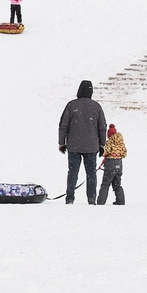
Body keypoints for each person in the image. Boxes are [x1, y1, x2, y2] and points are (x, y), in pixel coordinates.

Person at [57, 77, 106, 205]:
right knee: (91, 173)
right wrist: (102, 145)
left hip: (74, 145)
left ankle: (70, 198)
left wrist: (61, 142)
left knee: (72, 172)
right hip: (92, 146)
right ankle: (91, 199)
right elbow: (102, 127)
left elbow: (63, 125)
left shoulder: (71, 105)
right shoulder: (96, 107)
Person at [95, 121, 128, 205]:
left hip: (110, 164)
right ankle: (120, 201)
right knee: (117, 184)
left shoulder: (109, 142)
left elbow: (105, 152)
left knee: (105, 184)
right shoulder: (121, 143)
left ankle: (101, 201)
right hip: (119, 164)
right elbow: (124, 154)